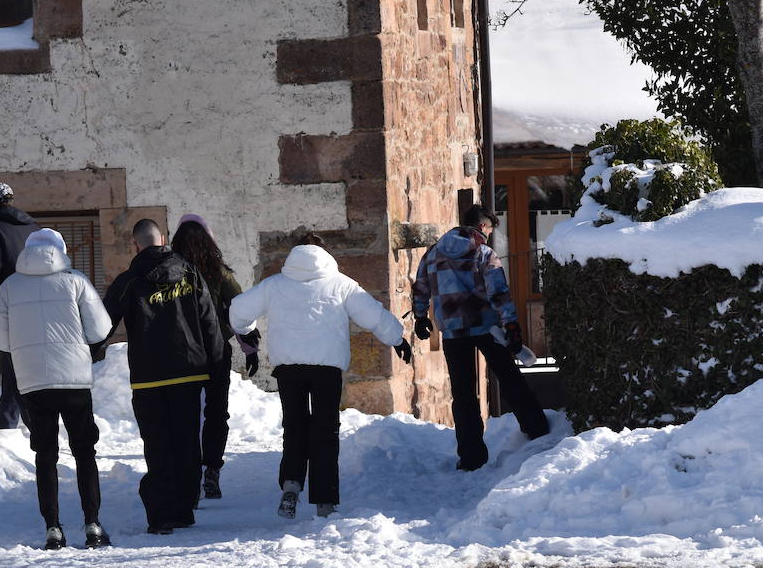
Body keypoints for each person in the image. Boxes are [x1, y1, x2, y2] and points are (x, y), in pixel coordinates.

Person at [230, 236, 412, 519]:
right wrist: (397, 339)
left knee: (295, 426)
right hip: (327, 370)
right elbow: (372, 313)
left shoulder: (275, 285)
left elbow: (238, 310)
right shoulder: (341, 284)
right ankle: (325, 499)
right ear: (325, 255)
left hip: (289, 369)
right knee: (326, 430)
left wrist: (247, 330)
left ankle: (291, 485)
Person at [0, 228, 114, 551]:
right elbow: (100, 328)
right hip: (73, 378)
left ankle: (53, 528)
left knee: (45, 454)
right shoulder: (75, 282)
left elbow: (0, 340)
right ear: (60, 251)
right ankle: (93, 523)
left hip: (32, 381)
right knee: (84, 451)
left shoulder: (9, 286)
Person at [103, 219, 223, 534]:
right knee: (186, 442)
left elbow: (101, 326)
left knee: (157, 446)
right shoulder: (189, 272)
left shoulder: (128, 281)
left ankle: (161, 515)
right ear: (164, 239)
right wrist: (214, 364)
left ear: (135, 244)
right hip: (188, 372)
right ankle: (184, 508)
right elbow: (209, 321)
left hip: (149, 376)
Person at [411, 204, 549, 471]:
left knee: (463, 394)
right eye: (489, 230)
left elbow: (420, 287)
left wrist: (420, 317)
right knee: (509, 378)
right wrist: (512, 326)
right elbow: (499, 293)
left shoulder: (433, 253)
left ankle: (471, 457)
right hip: (487, 327)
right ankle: (537, 430)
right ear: (483, 227)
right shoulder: (484, 253)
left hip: (452, 330)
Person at [170, 214, 259, 502]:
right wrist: (250, 348)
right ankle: (212, 470)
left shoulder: (169, 271)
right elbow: (240, 309)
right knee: (216, 412)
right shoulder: (219, 271)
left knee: (185, 415)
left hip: (180, 352)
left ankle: (189, 475)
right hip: (216, 349)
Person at [0, 182, 39, 432]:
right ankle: (10, 420)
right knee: (21, 365)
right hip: (37, 306)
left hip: (10, 309)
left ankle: (19, 423)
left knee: (14, 364)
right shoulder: (32, 229)